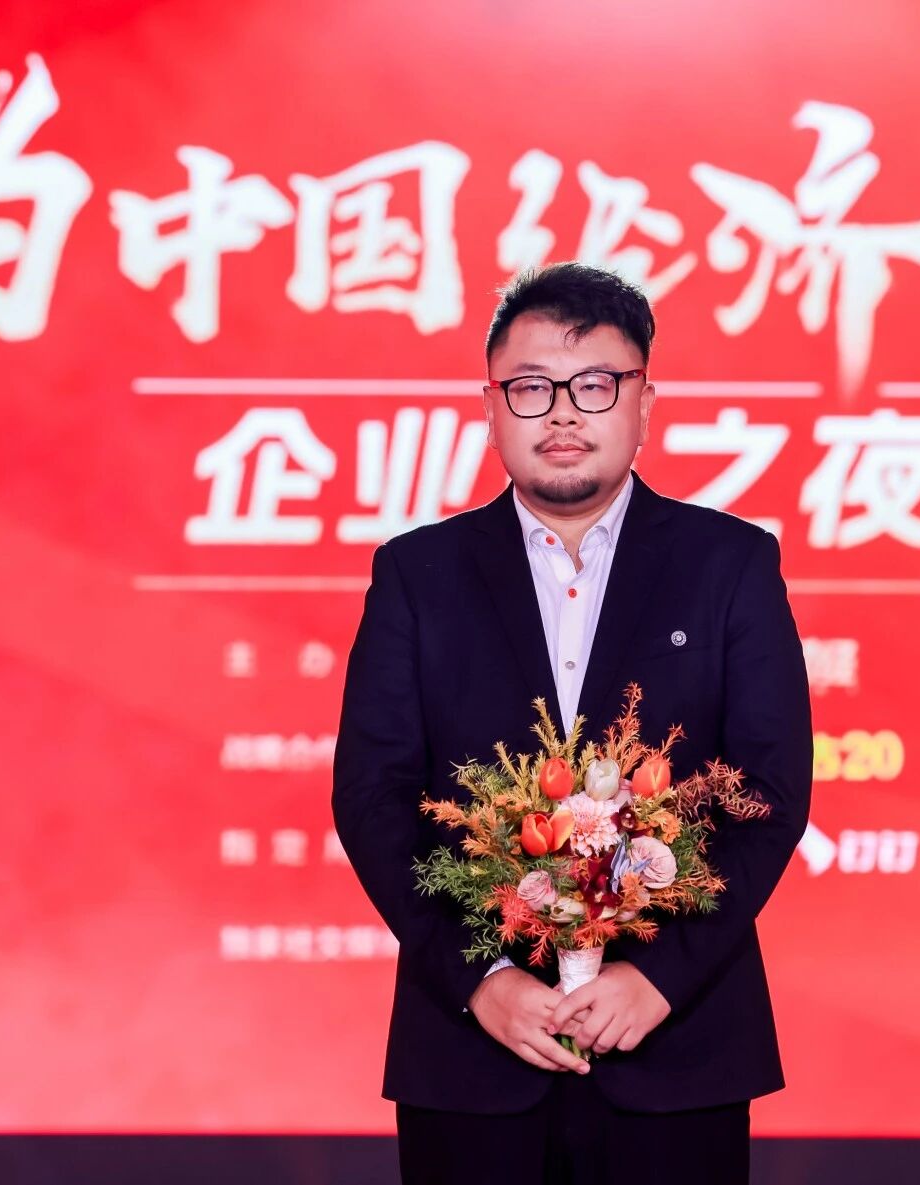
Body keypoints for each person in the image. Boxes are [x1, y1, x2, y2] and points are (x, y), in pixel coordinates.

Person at [332, 262, 812, 1185]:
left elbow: (767, 792)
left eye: (594, 384)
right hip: (473, 1057)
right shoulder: (417, 574)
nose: (561, 413)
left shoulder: (730, 564)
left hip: (676, 1048)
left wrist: (659, 976)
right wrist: (481, 981)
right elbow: (372, 797)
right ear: (490, 406)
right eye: (530, 387)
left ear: (644, 402)